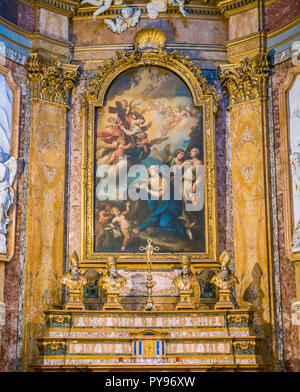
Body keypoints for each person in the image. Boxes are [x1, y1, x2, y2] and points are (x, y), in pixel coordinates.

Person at [133, 165, 192, 239]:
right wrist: (139, 186)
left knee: (156, 217)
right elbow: (136, 184)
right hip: (162, 204)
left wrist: (146, 189)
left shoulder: (164, 180)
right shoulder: (148, 180)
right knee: (163, 224)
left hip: (171, 203)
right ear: (149, 172)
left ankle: (141, 227)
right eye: (151, 169)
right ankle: (181, 225)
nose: (154, 169)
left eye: (155, 168)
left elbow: (159, 195)